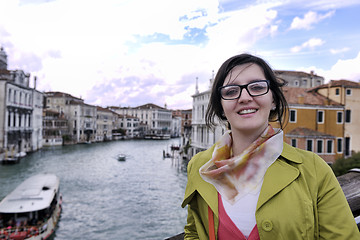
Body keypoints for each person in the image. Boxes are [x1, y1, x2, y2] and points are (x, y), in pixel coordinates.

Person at [181, 53, 360, 240]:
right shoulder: (199, 166)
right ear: (221, 105)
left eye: (257, 87)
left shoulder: (314, 169)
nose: (244, 97)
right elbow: (194, 231)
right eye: (231, 91)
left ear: (273, 99)